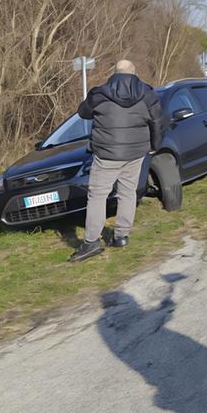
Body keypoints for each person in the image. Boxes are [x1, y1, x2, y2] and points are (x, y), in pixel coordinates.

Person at [70, 59, 164, 262]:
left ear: (114, 72)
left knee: (97, 196)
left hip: (106, 154)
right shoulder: (147, 94)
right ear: (134, 72)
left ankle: (92, 241)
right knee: (127, 192)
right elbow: (157, 120)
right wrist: (155, 145)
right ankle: (121, 236)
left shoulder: (100, 93)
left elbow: (83, 112)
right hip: (136, 153)